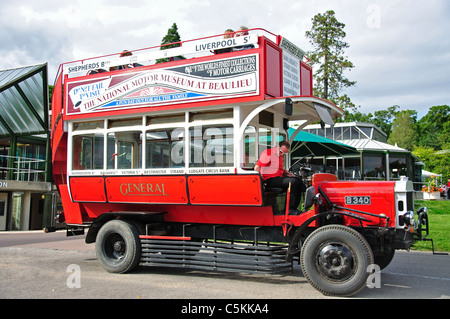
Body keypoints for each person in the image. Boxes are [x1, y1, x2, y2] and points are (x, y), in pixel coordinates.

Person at [254, 141, 304, 215]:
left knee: (299, 181)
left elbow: (277, 169)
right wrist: (261, 182)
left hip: (277, 178)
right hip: (269, 179)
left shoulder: (280, 156)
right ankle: (289, 209)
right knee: (293, 182)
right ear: (278, 147)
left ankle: (294, 208)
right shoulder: (268, 153)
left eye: (284, 153)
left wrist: (285, 172)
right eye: (281, 152)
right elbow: (257, 167)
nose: (282, 154)